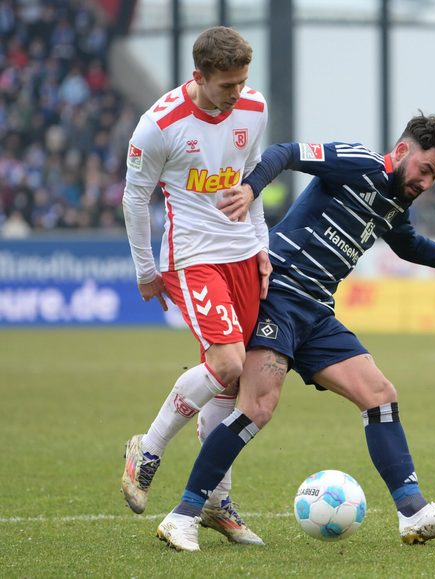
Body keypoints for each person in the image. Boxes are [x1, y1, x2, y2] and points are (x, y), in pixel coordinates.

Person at [154, 113, 435, 551]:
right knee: (259, 407)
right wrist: (253, 186)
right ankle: (183, 514)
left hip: (316, 313)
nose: (427, 183)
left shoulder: (394, 204)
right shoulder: (357, 163)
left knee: (380, 395)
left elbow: (410, 246)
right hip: (278, 295)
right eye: (426, 170)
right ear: (404, 150)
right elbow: (286, 153)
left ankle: (413, 512)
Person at [120, 26, 270, 545]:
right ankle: (150, 446)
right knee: (227, 363)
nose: (237, 94)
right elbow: (134, 199)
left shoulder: (253, 107)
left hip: (243, 256)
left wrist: (263, 246)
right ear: (198, 76)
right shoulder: (159, 125)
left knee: (231, 381)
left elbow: (253, 181)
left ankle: (215, 502)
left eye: (243, 82)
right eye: (227, 85)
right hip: (193, 257)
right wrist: (146, 270)